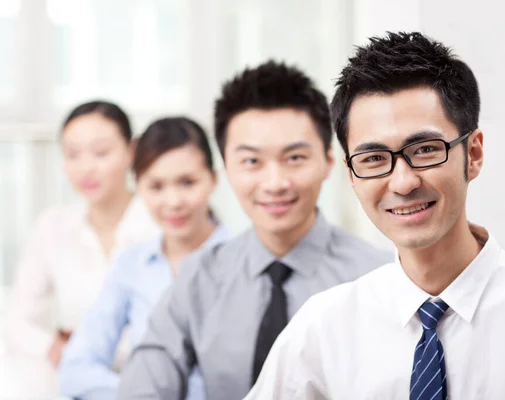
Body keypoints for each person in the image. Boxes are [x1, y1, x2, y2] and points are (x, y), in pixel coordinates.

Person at [245, 32, 505, 400]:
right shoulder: (322, 331)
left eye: (426, 149)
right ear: (351, 174)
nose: (402, 182)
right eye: (373, 159)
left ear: (473, 153)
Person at [116, 61, 393, 400]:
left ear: (329, 161)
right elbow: (147, 380)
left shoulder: (378, 279)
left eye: (294, 158)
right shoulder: (201, 278)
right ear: (226, 170)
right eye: (251, 162)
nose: (274, 183)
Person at [58, 117, 230, 399]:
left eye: (187, 182)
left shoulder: (245, 263)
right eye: (156, 186)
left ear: (213, 179)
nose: (173, 201)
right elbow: (76, 369)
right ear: (138, 186)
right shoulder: (132, 264)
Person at [5, 101, 158, 368]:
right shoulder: (53, 226)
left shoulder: (160, 223)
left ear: (131, 151)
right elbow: (15, 320)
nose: (86, 167)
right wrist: (53, 347)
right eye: (73, 154)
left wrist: (87, 350)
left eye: (100, 152)